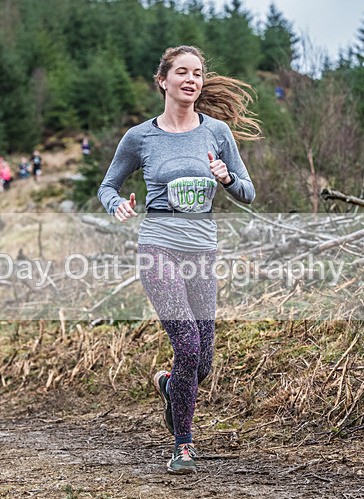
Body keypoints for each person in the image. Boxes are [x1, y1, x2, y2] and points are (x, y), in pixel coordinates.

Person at [97, 45, 260, 475]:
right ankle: (183, 445)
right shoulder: (140, 137)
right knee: (186, 344)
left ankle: (171, 386)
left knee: (201, 362)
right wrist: (116, 206)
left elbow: (248, 191)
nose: (191, 80)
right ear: (163, 80)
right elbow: (108, 186)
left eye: (198, 74)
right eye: (182, 72)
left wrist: (227, 178)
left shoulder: (217, 132)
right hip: (158, 246)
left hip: (202, 250)